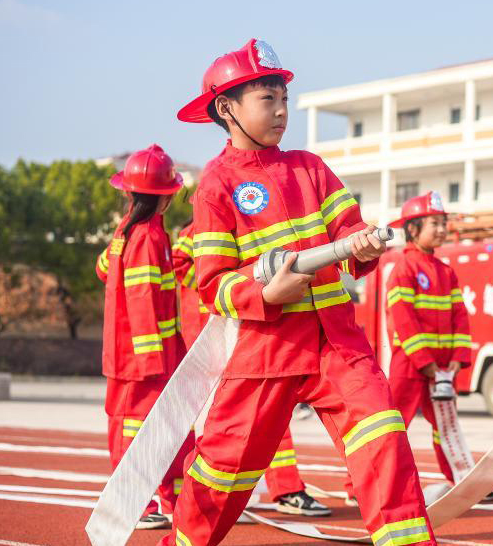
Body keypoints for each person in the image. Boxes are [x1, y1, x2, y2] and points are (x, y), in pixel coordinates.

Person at [162, 39, 433, 545]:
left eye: (285, 99)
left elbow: (349, 235)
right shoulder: (216, 186)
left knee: (384, 441)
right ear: (227, 108)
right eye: (268, 99)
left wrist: (366, 247)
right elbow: (213, 285)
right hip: (266, 353)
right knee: (222, 479)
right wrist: (265, 294)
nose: (283, 111)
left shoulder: (310, 168)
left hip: (338, 348)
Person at [171, 219, 331, 517]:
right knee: (224, 424)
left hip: (243, 329)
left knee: (259, 418)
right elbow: (179, 263)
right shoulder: (201, 227)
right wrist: (227, 293)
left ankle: (279, 489)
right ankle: (211, 501)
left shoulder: (248, 221)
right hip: (218, 334)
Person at [95, 144, 192, 530]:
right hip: (145, 358)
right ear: (166, 198)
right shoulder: (150, 238)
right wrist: (155, 360)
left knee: (148, 426)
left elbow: (103, 270)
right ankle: (137, 503)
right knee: (143, 427)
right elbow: (142, 300)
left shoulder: (126, 232)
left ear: (128, 193)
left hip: (129, 354)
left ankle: (169, 499)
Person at [384, 191, 472, 484]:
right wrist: (425, 362)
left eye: (443, 223)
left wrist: (458, 360)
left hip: (444, 366)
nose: (442, 229)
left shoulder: (447, 272)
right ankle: (364, 485)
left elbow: (461, 316)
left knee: (446, 426)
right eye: (434, 223)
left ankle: (459, 479)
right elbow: (403, 321)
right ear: (413, 229)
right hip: (410, 364)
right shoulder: (403, 268)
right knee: (392, 425)